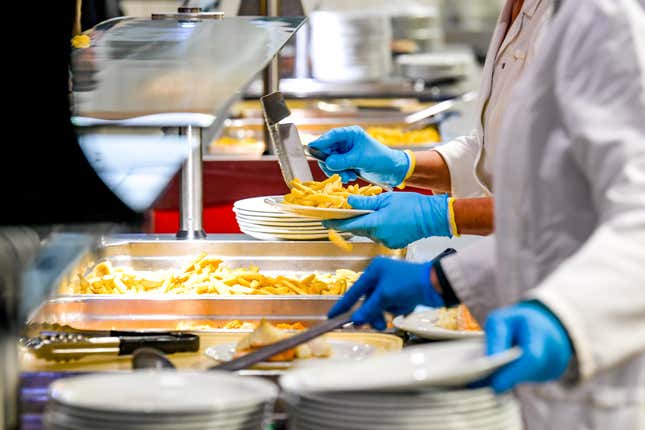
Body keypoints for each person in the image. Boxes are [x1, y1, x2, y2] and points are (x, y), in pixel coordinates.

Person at [328, 0, 645, 428]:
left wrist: (562, 315)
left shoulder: (607, 16)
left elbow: (629, 218)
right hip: (541, 367)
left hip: (606, 369)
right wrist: (444, 278)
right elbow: (517, 160)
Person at [308, 0, 552, 248]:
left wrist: (440, 216)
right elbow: (501, 154)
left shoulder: (577, 15)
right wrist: (404, 165)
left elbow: (568, 204)